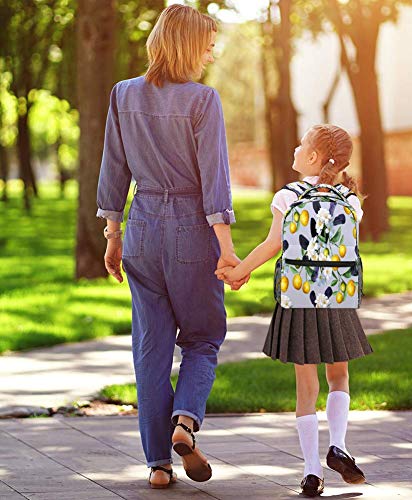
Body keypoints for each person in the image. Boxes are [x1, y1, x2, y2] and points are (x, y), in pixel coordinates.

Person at [96, 4, 248, 489]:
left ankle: (158, 464)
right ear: (185, 45)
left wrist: (113, 235)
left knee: (151, 349)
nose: (209, 53)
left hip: (141, 227)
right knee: (203, 338)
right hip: (190, 229)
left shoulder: (123, 94)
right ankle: (185, 422)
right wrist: (226, 249)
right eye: (205, 45)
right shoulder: (203, 100)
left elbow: (113, 170)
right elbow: (214, 182)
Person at [216, 124, 373, 497]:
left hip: (298, 297)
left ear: (315, 158)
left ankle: (312, 471)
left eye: (301, 144)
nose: (295, 148)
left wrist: (238, 272)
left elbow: (273, 244)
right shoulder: (351, 202)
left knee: (306, 388)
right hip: (337, 298)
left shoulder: (288, 196)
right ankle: (339, 445)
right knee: (339, 378)